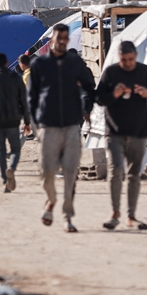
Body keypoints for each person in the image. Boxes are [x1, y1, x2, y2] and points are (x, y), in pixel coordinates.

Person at [29, 23, 96, 231]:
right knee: (47, 173)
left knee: (70, 172)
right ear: (52, 41)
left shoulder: (75, 63)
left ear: (67, 40)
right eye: (58, 39)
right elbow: (32, 96)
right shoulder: (40, 64)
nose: (61, 42)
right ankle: (51, 200)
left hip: (71, 125)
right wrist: (34, 123)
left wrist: (86, 108)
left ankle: (67, 216)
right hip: (47, 126)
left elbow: (89, 87)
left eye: (64, 39)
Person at [96, 41, 147, 231]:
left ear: (136, 56)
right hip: (115, 132)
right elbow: (99, 99)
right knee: (116, 170)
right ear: (119, 58)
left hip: (138, 132)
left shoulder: (144, 72)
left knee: (134, 174)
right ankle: (115, 212)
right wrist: (114, 94)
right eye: (124, 60)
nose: (127, 63)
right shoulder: (110, 73)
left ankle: (131, 215)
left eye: (131, 59)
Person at [0, 53, 31, 193]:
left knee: (1, 151)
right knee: (15, 149)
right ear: (7, 62)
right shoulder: (16, 78)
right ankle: (12, 169)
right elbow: (24, 101)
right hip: (13, 120)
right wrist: (26, 121)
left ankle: (5, 181)